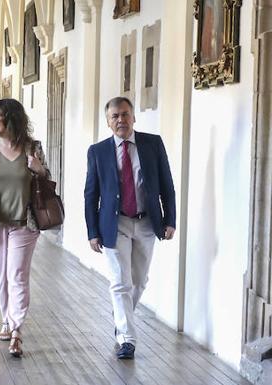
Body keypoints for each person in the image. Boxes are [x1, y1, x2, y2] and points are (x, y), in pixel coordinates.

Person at [84, 96, 176, 359]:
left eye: (125, 114)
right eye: (115, 116)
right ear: (108, 122)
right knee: (120, 283)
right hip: (116, 223)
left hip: (147, 221)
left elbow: (166, 184)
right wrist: (93, 232)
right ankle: (127, 338)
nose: (121, 120)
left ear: (133, 117)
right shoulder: (98, 151)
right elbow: (91, 194)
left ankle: (121, 317)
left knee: (139, 281)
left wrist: (170, 219)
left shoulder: (152, 144)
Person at [0, 98, 49, 357]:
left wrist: (40, 170)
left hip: (25, 222)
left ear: (11, 118)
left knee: (17, 275)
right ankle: (6, 319)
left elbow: (45, 180)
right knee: (0, 275)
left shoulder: (32, 147)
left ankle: (16, 329)